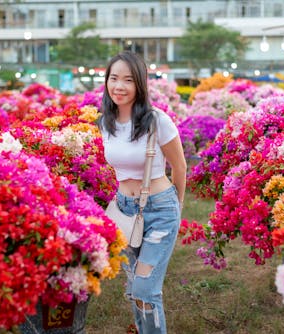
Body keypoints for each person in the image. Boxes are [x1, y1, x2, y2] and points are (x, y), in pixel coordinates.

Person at [97, 51, 187, 333]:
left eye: (127, 80)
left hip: (160, 209)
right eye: (114, 78)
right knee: (135, 287)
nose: (119, 86)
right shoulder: (105, 123)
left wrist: (177, 207)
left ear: (140, 84)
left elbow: (180, 167)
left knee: (146, 287)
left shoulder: (157, 120)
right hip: (124, 210)